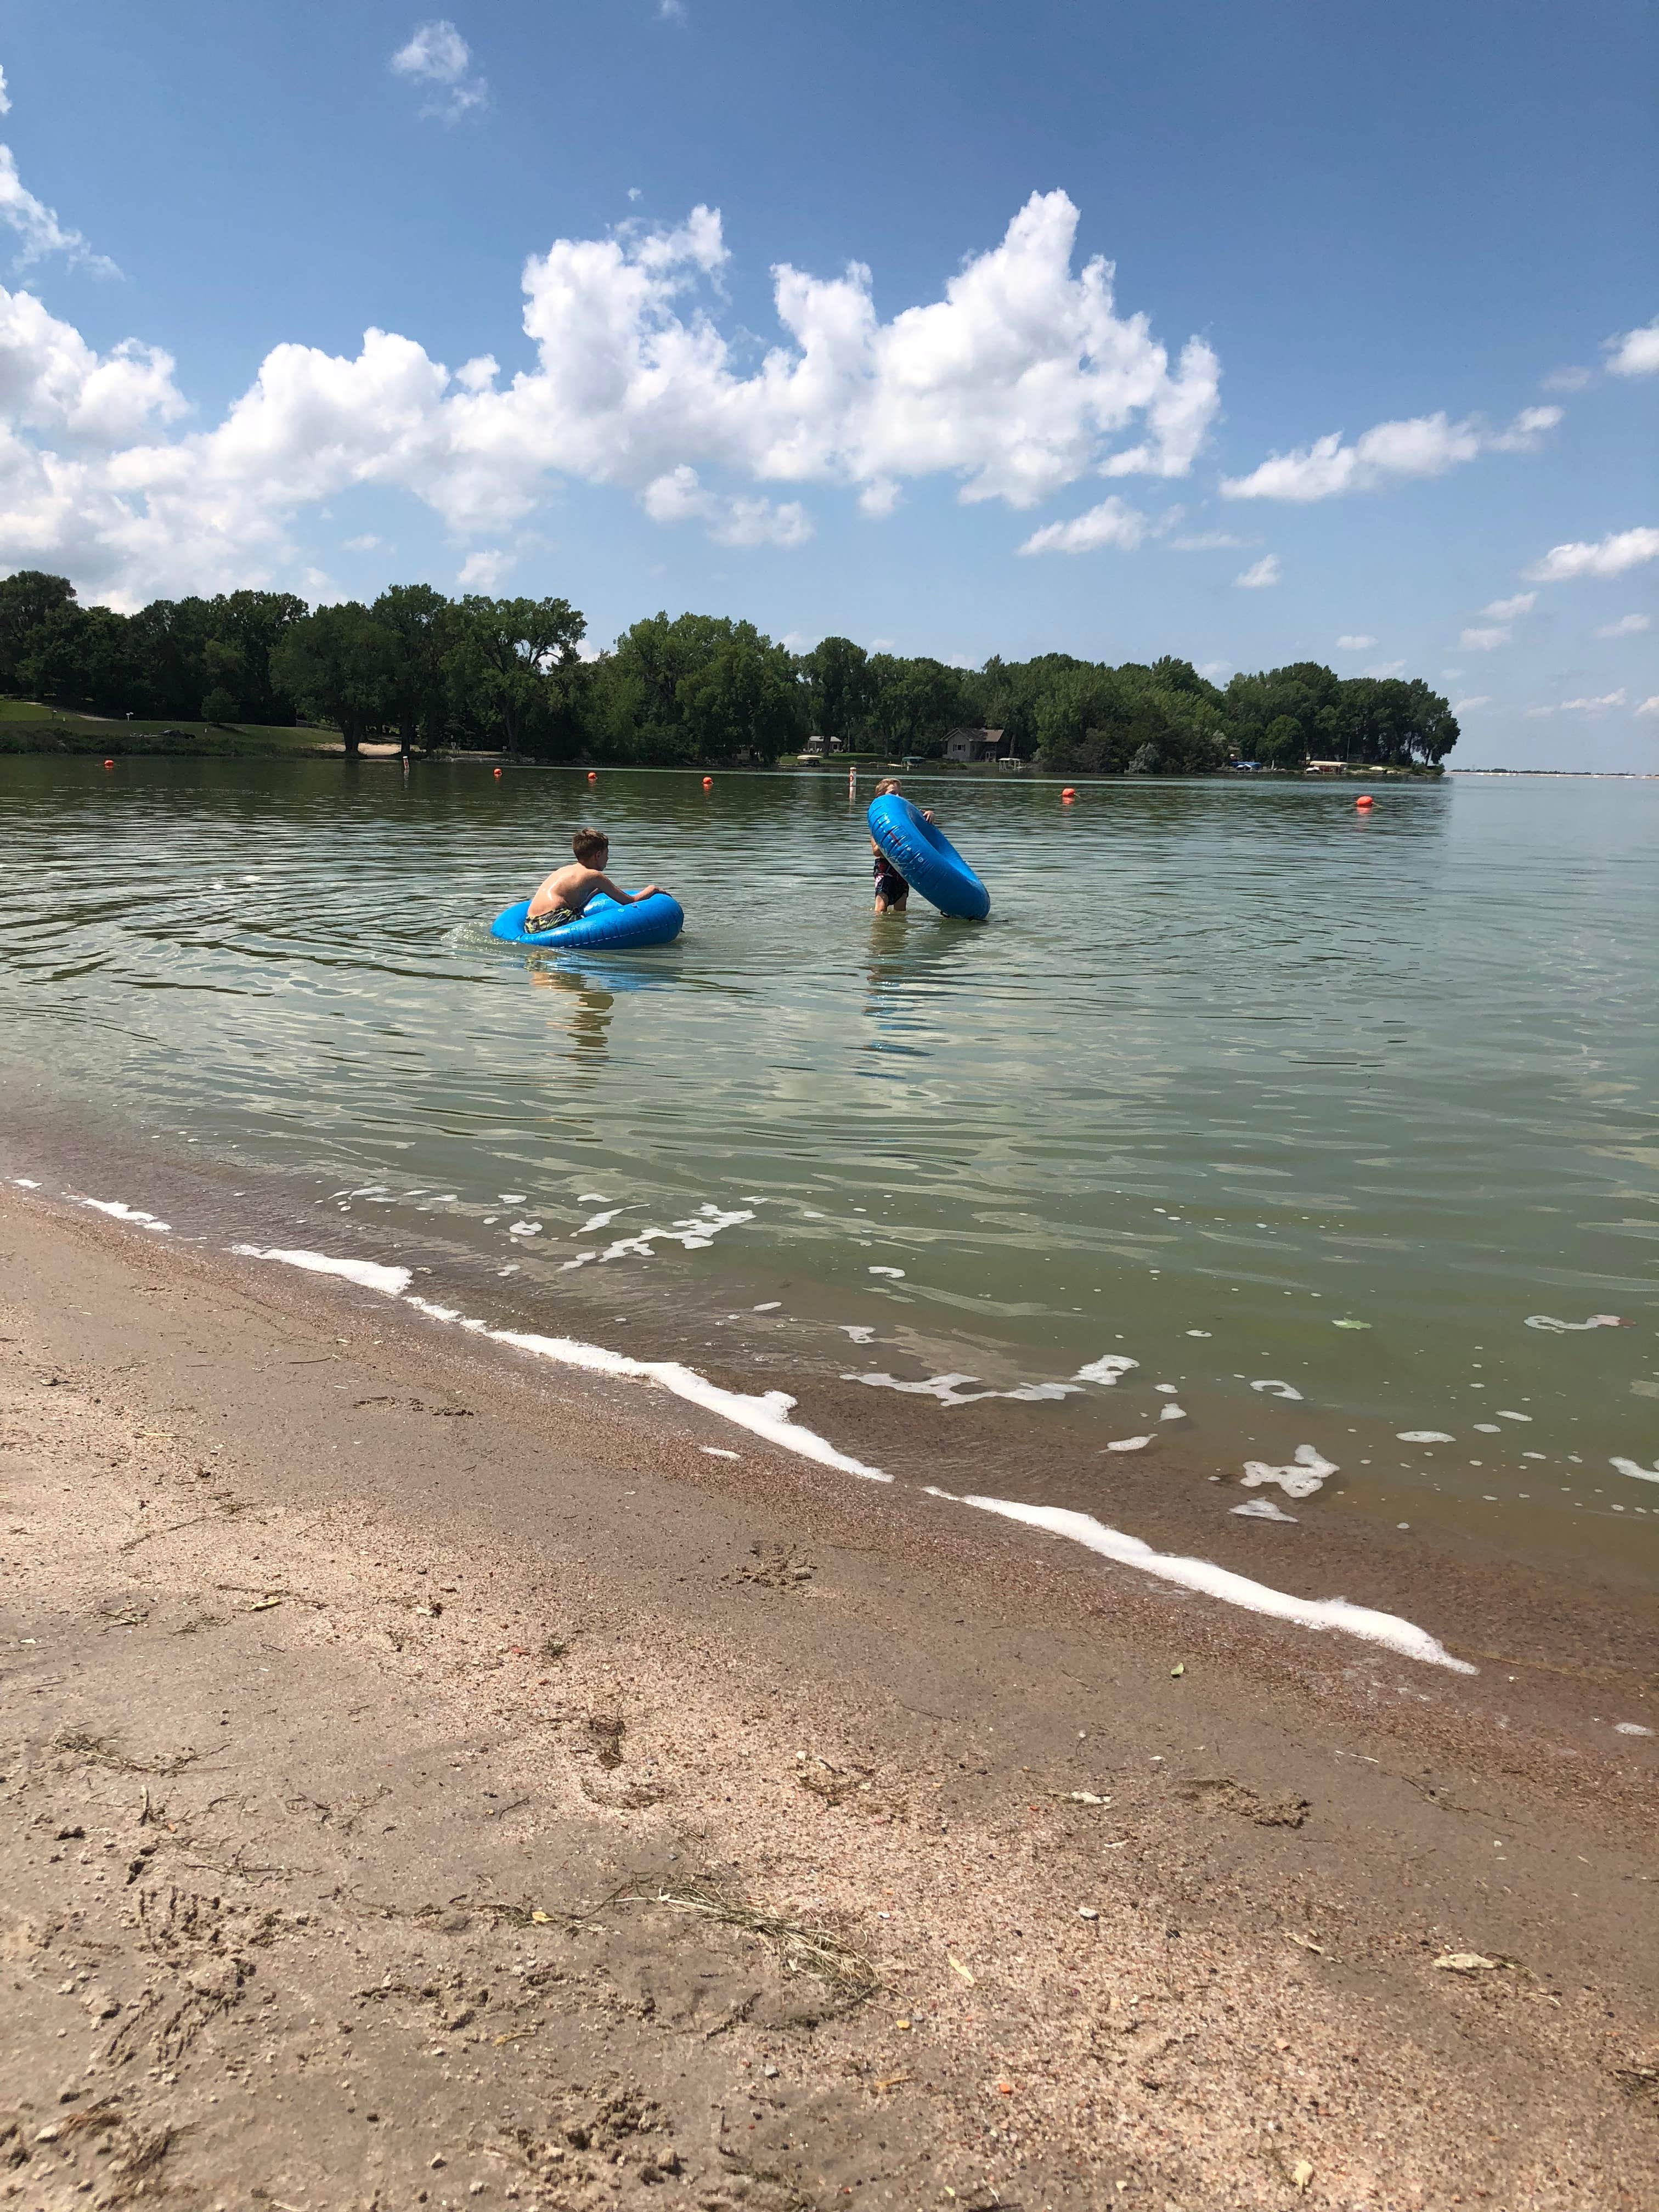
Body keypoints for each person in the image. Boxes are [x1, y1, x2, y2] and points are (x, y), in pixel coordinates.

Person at [524, 828, 665, 933]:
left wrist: (596, 891)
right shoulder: (594, 875)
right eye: (607, 854)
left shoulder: (565, 870)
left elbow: (575, 901)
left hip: (530, 923)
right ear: (598, 855)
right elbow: (630, 901)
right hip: (555, 919)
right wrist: (653, 889)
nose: (608, 859)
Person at [870, 777, 933, 913]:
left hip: (902, 870)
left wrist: (929, 815)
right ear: (881, 796)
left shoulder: (905, 817)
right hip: (884, 868)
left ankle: (897, 933)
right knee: (881, 909)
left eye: (900, 794)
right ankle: (878, 933)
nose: (898, 797)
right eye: (893, 793)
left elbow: (924, 833)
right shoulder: (878, 823)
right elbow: (876, 851)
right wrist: (891, 840)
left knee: (901, 912)